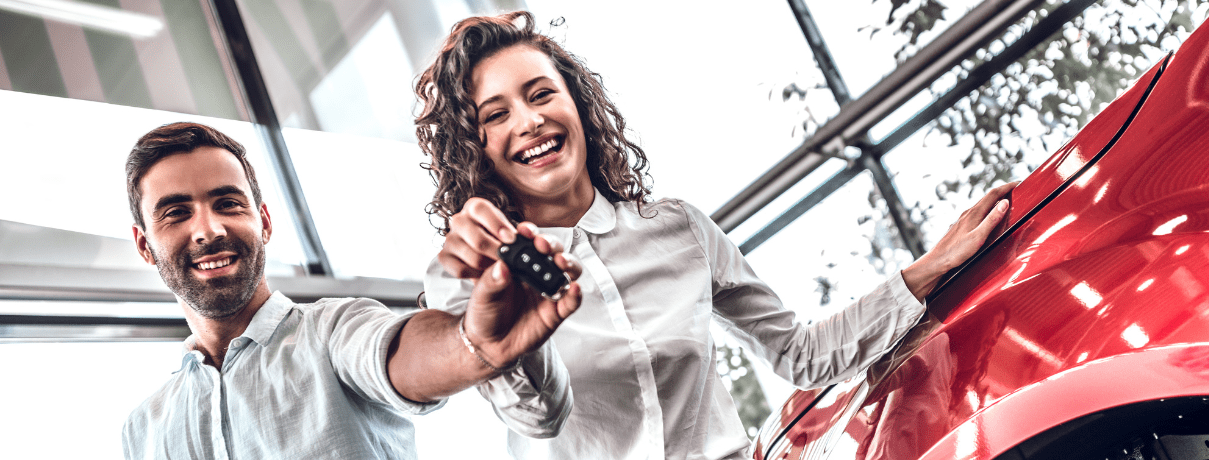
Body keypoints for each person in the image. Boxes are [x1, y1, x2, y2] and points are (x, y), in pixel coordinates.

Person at [414, 12, 1015, 460]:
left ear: (577, 103)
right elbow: (537, 417)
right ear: (477, 150)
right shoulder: (474, 279)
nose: (529, 121)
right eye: (496, 115)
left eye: (541, 93)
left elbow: (802, 355)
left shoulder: (678, 229)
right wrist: (511, 333)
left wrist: (929, 268)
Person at [120, 122, 584, 458]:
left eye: (228, 204)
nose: (209, 229)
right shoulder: (143, 430)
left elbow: (400, 355)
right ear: (145, 246)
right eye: (176, 213)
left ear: (263, 222)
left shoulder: (333, 331)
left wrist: (471, 343)